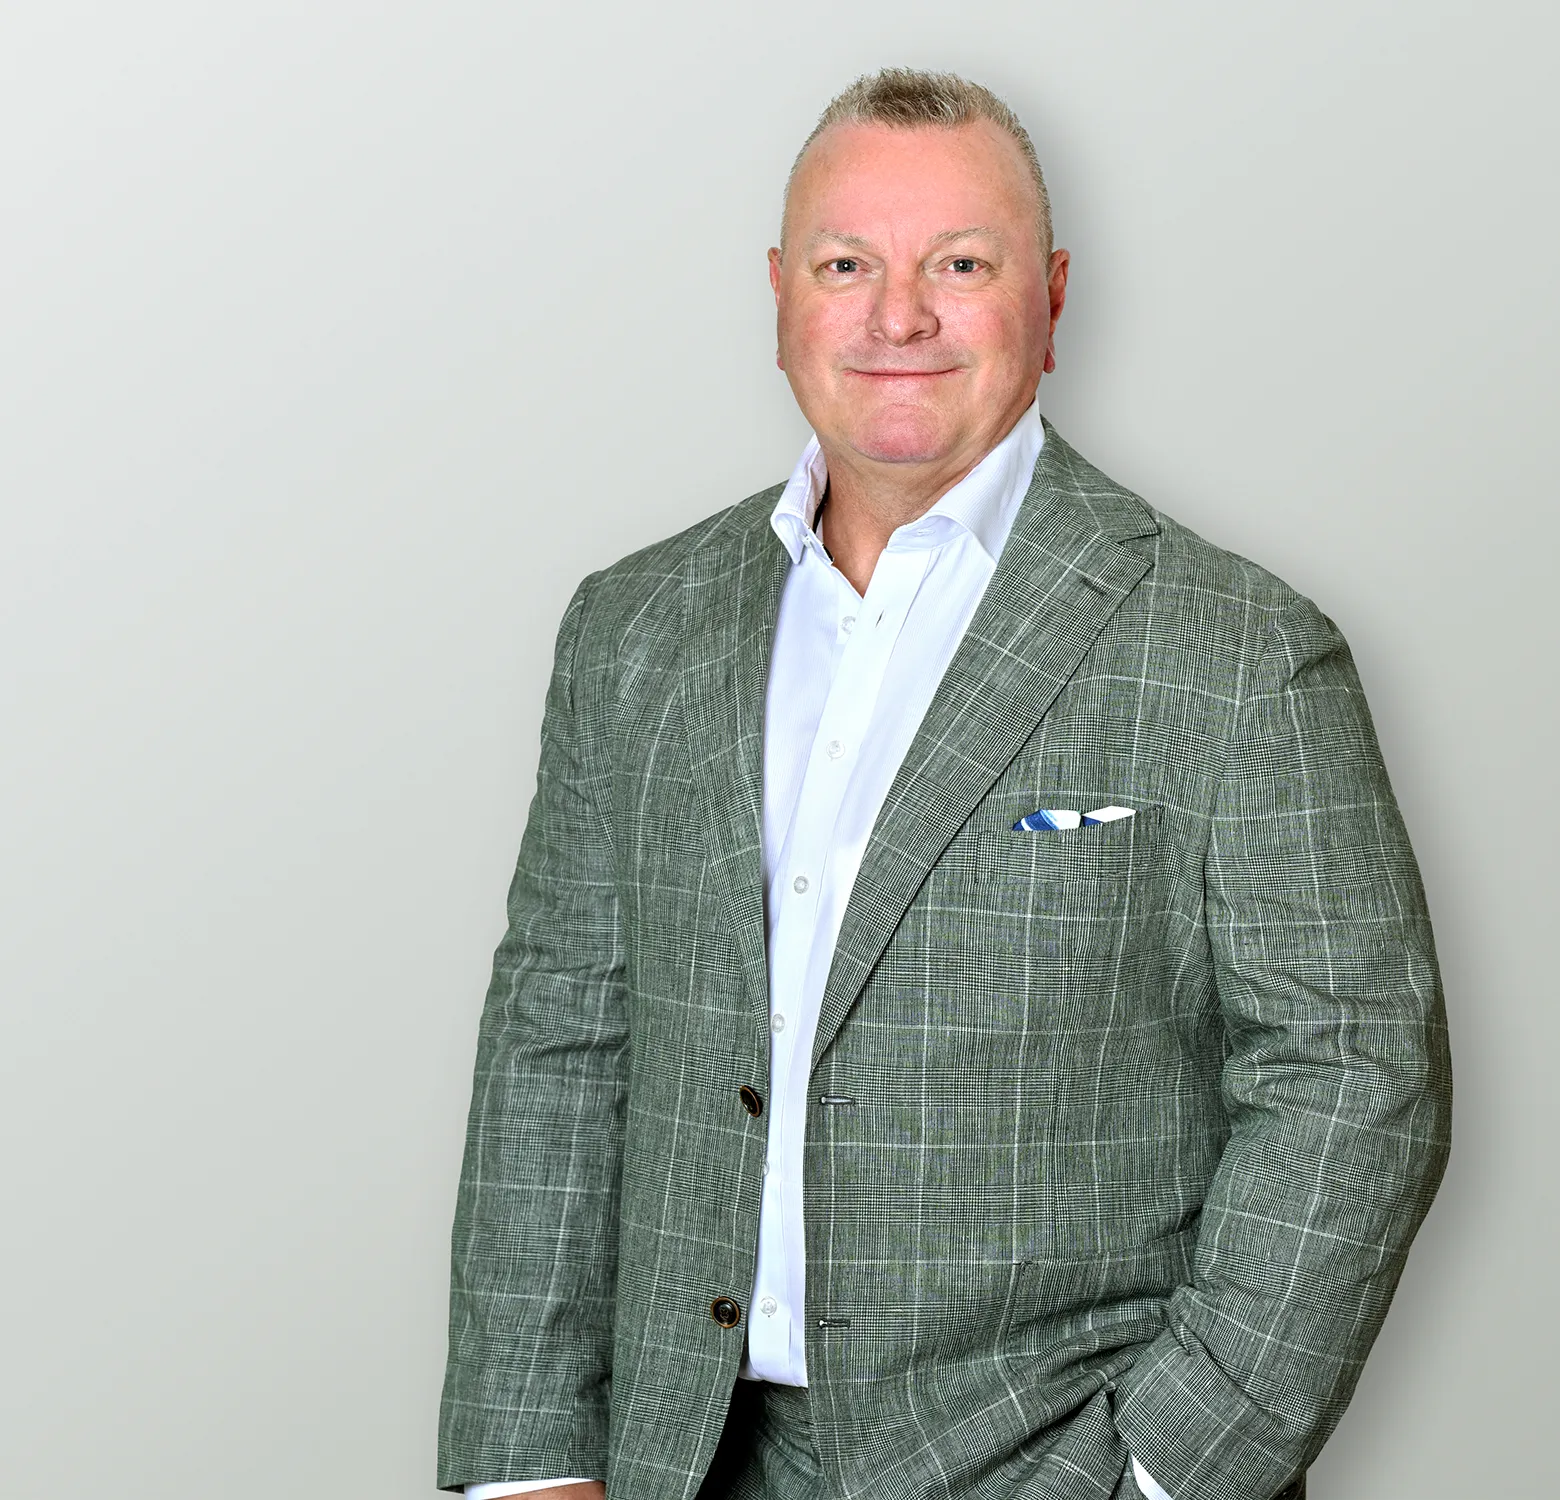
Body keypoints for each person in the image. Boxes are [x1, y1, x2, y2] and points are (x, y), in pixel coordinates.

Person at [436, 68, 1451, 1500]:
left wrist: (1159, 1473)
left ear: (1051, 298)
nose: (897, 316)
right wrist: (525, 1466)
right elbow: (558, 1040)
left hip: (1052, 1460)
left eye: (959, 266)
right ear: (780, 296)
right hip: (673, 1462)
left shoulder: (1236, 655)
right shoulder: (635, 628)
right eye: (847, 265)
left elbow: (1355, 1078)